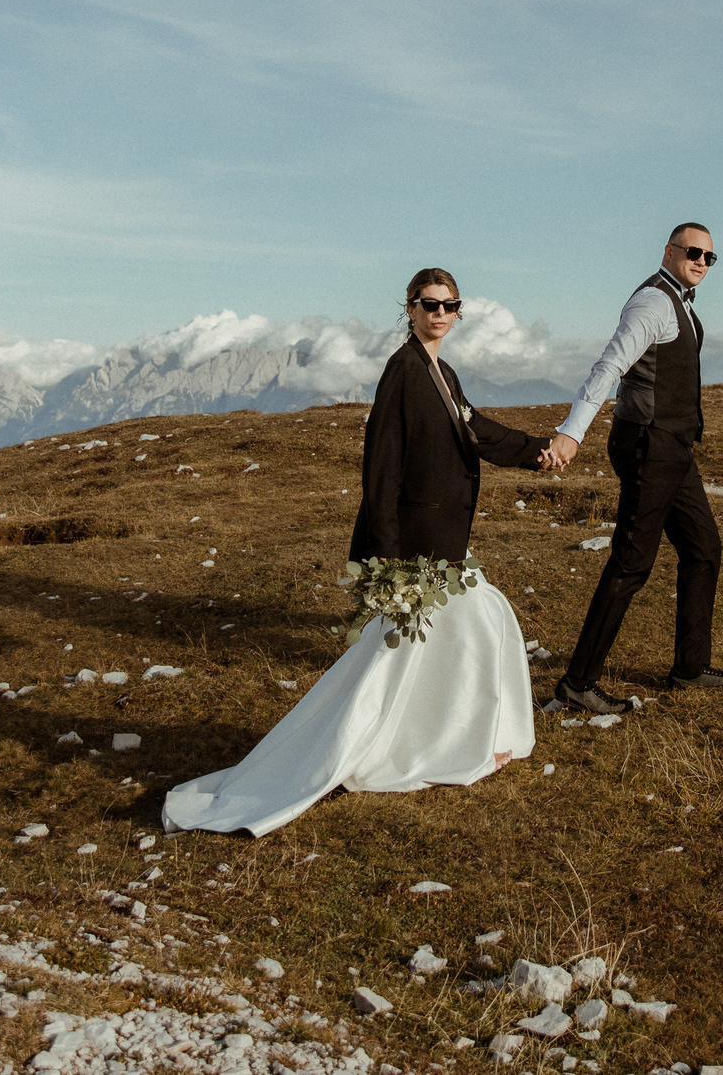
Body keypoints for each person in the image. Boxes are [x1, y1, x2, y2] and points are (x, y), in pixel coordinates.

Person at [159, 268, 546, 837]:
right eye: (428, 304)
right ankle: (421, 748)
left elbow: (477, 430)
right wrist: (385, 559)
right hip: (416, 543)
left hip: (441, 538)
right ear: (409, 309)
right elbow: (381, 467)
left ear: (459, 313)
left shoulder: (442, 371)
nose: (440, 314)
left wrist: (539, 451)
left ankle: (443, 740)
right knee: (466, 631)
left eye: (449, 305)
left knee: (426, 651)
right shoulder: (403, 371)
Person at [545, 223, 723, 713]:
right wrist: (572, 431)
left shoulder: (681, 301)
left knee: (704, 548)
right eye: (693, 252)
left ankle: (690, 667)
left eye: (709, 257)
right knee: (632, 563)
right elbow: (609, 367)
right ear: (669, 251)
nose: (701, 261)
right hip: (648, 446)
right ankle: (578, 683)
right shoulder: (652, 303)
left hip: (673, 448)